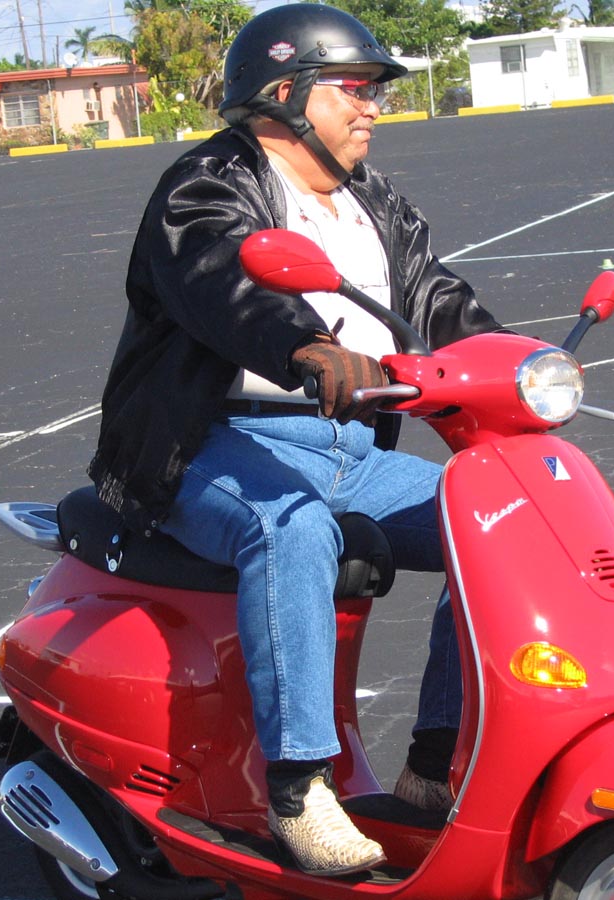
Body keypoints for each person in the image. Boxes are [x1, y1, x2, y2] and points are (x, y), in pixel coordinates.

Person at [87, 3, 504, 878]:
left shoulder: (373, 201)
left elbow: (437, 299)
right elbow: (219, 279)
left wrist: (515, 359)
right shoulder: (206, 186)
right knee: (293, 527)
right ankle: (298, 788)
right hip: (204, 441)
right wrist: (305, 346)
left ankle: (433, 767)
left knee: (501, 519)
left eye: (374, 91)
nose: (373, 107)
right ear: (285, 93)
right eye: (353, 87)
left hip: (345, 447)